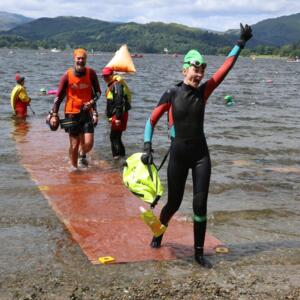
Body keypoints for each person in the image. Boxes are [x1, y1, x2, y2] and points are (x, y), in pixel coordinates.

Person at [141, 24, 253, 268]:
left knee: (200, 204)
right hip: (179, 154)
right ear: (184, 69)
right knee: (173, 203)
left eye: (202, 69)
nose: (199, 73)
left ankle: (199, 253)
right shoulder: (171, 93)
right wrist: (147, 146)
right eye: (195, 68)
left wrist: (240, 44)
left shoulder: (204, 92)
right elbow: (151, 120)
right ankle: (159, 234)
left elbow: (225, 68)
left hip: (201, 154)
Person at [47, 48, 101, 169]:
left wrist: (92, 104)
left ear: (86, 59)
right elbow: (58, 97)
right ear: (74, 59)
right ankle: (74, 169)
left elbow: (98, 93)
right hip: (70, 113)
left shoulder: (91, 73)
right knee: (74, 144)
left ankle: (82, 154)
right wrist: (54, 114)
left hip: (87, 112)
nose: (81, 61)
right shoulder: (67, 75)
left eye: (83, 58)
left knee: (89, 144)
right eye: (78, 58)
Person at [102, 67, 131, 159]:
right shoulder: (113, 84)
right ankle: (122, 158)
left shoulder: (117, 85)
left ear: (112, 75)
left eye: (107, 76)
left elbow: (119, 101)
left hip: (119, 115)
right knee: (117, 137)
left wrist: (117, 118)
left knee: (114, 137)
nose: (105, 78)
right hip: (119, 114)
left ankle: (117, 158)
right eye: (104, 76)